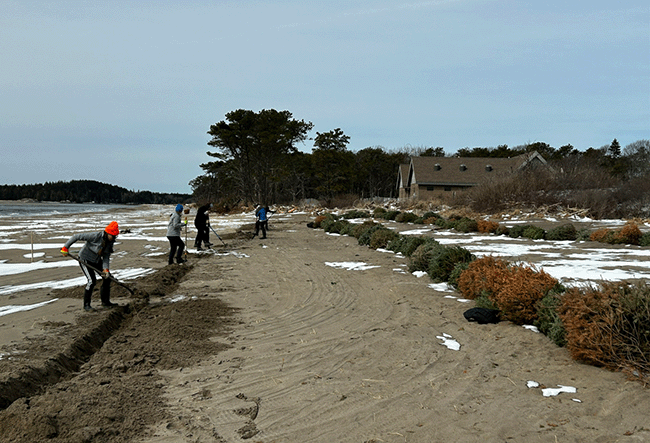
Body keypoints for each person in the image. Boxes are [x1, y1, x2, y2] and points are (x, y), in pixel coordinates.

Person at [60, 221, 120, 311]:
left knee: (107, 278)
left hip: (96, 261)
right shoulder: (96, 236)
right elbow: (76, 236)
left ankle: (105, 302)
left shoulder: (109, 243)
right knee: (91, 281)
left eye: (114, 236)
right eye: (112, 235)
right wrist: (66, 247)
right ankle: (86, 305)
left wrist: (105, 269)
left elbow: (106, 257)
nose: (113, 238)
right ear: (107, 233)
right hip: (85, 259)